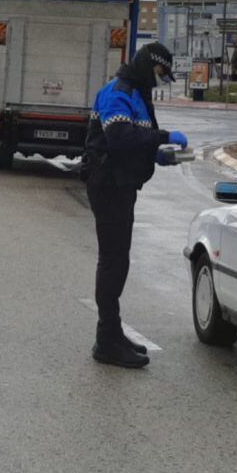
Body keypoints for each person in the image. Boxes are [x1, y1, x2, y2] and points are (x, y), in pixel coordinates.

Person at [82, 42, 188, 369]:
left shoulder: (137, 94)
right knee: (113, 261)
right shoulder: (118, 92)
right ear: (148, 66)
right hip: (108, 184)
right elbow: (120, 139)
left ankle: (111, 333)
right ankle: (107, 339)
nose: (158, 81)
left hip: (122, 183)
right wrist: (164, 137)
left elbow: (136, 140)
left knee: (119, 260)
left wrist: (159, 155)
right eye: (158, 73)